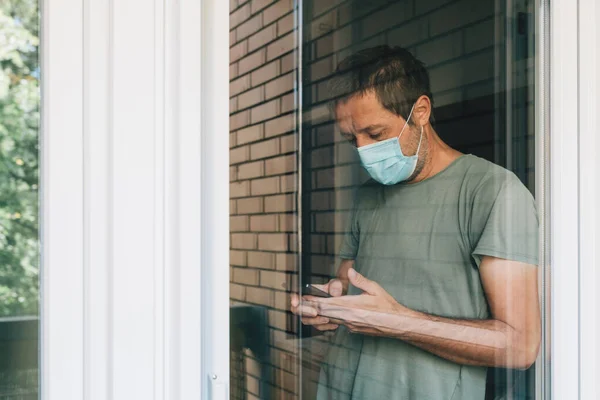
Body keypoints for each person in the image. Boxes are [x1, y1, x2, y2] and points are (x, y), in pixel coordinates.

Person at [291, 46, 540, 400]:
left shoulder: (494, 191)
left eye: (375, 134)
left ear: (420, 111)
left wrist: (396, 322)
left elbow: (520, 345)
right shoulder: (368, 195)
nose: (363, 151)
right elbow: (350, 287)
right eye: (352, 139)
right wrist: (330, 305)